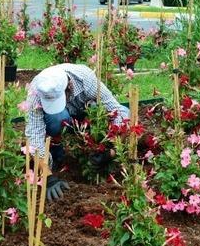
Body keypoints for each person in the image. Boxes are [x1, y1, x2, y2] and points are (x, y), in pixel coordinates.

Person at [24, 64, 130, 202]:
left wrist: (111, 150)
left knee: (110, 110)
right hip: (61, 120)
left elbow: (118, 111)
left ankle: (97, 153)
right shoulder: (36, 92)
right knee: (57, 118)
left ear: (69, 86)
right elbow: (34, 138)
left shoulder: (85, 78)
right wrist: (47, 176)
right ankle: (56, 152)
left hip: (85, 115)